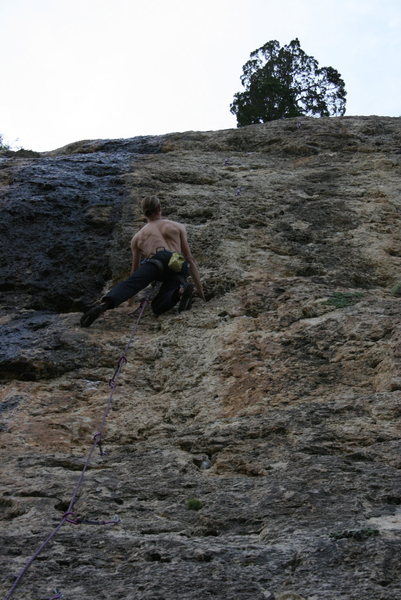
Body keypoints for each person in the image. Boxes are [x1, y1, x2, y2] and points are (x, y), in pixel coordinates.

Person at [80, 196, 205, 327]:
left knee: (132, 283)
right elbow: (190, 258)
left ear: (143, 212)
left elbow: (135, 273)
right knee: (158, 306)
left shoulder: (138, 237)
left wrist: (130, 302)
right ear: (159, 208)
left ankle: (105, 304)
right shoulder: (177, 226)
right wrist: (201, 292)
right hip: (178, 264)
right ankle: (180, 291)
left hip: (157, 262)